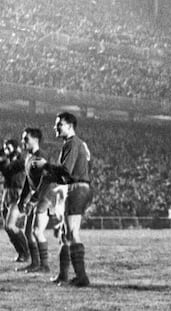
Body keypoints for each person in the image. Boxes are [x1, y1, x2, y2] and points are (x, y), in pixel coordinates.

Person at [32, 112, 93, 287]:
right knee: (65, 234)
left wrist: (46, 166)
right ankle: (63, 275)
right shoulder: (78, 144)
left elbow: (66, 171)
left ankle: (81, 277)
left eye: (59, 124)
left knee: (72, 233)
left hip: (76, 188)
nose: (55, 127)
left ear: (69, 126)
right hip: (80, 187)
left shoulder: (72, 143)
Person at [16, 128, 55, 273]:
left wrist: (34, 199)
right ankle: (35, 263)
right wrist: (22, 199)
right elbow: (28, 180)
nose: (23, 141)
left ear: (35, 140)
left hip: (44, 196)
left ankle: (44, 266)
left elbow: (46, 179)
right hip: (35, 196)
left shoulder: (40, 156)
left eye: (26, 139)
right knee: (28, 232)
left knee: (37, 231)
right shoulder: (29, 157)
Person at [0, 139, 29, 263]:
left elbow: (8, 168)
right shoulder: (6, 160)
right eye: (5, 146)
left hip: (17, 192)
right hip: (6, 192)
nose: (6, 148)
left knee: (10, 226)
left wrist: (4, 158)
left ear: (16, 148)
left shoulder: (22, 160)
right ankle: (21, 252)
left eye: (8, 146)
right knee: (7, 227)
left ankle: (27, 251)